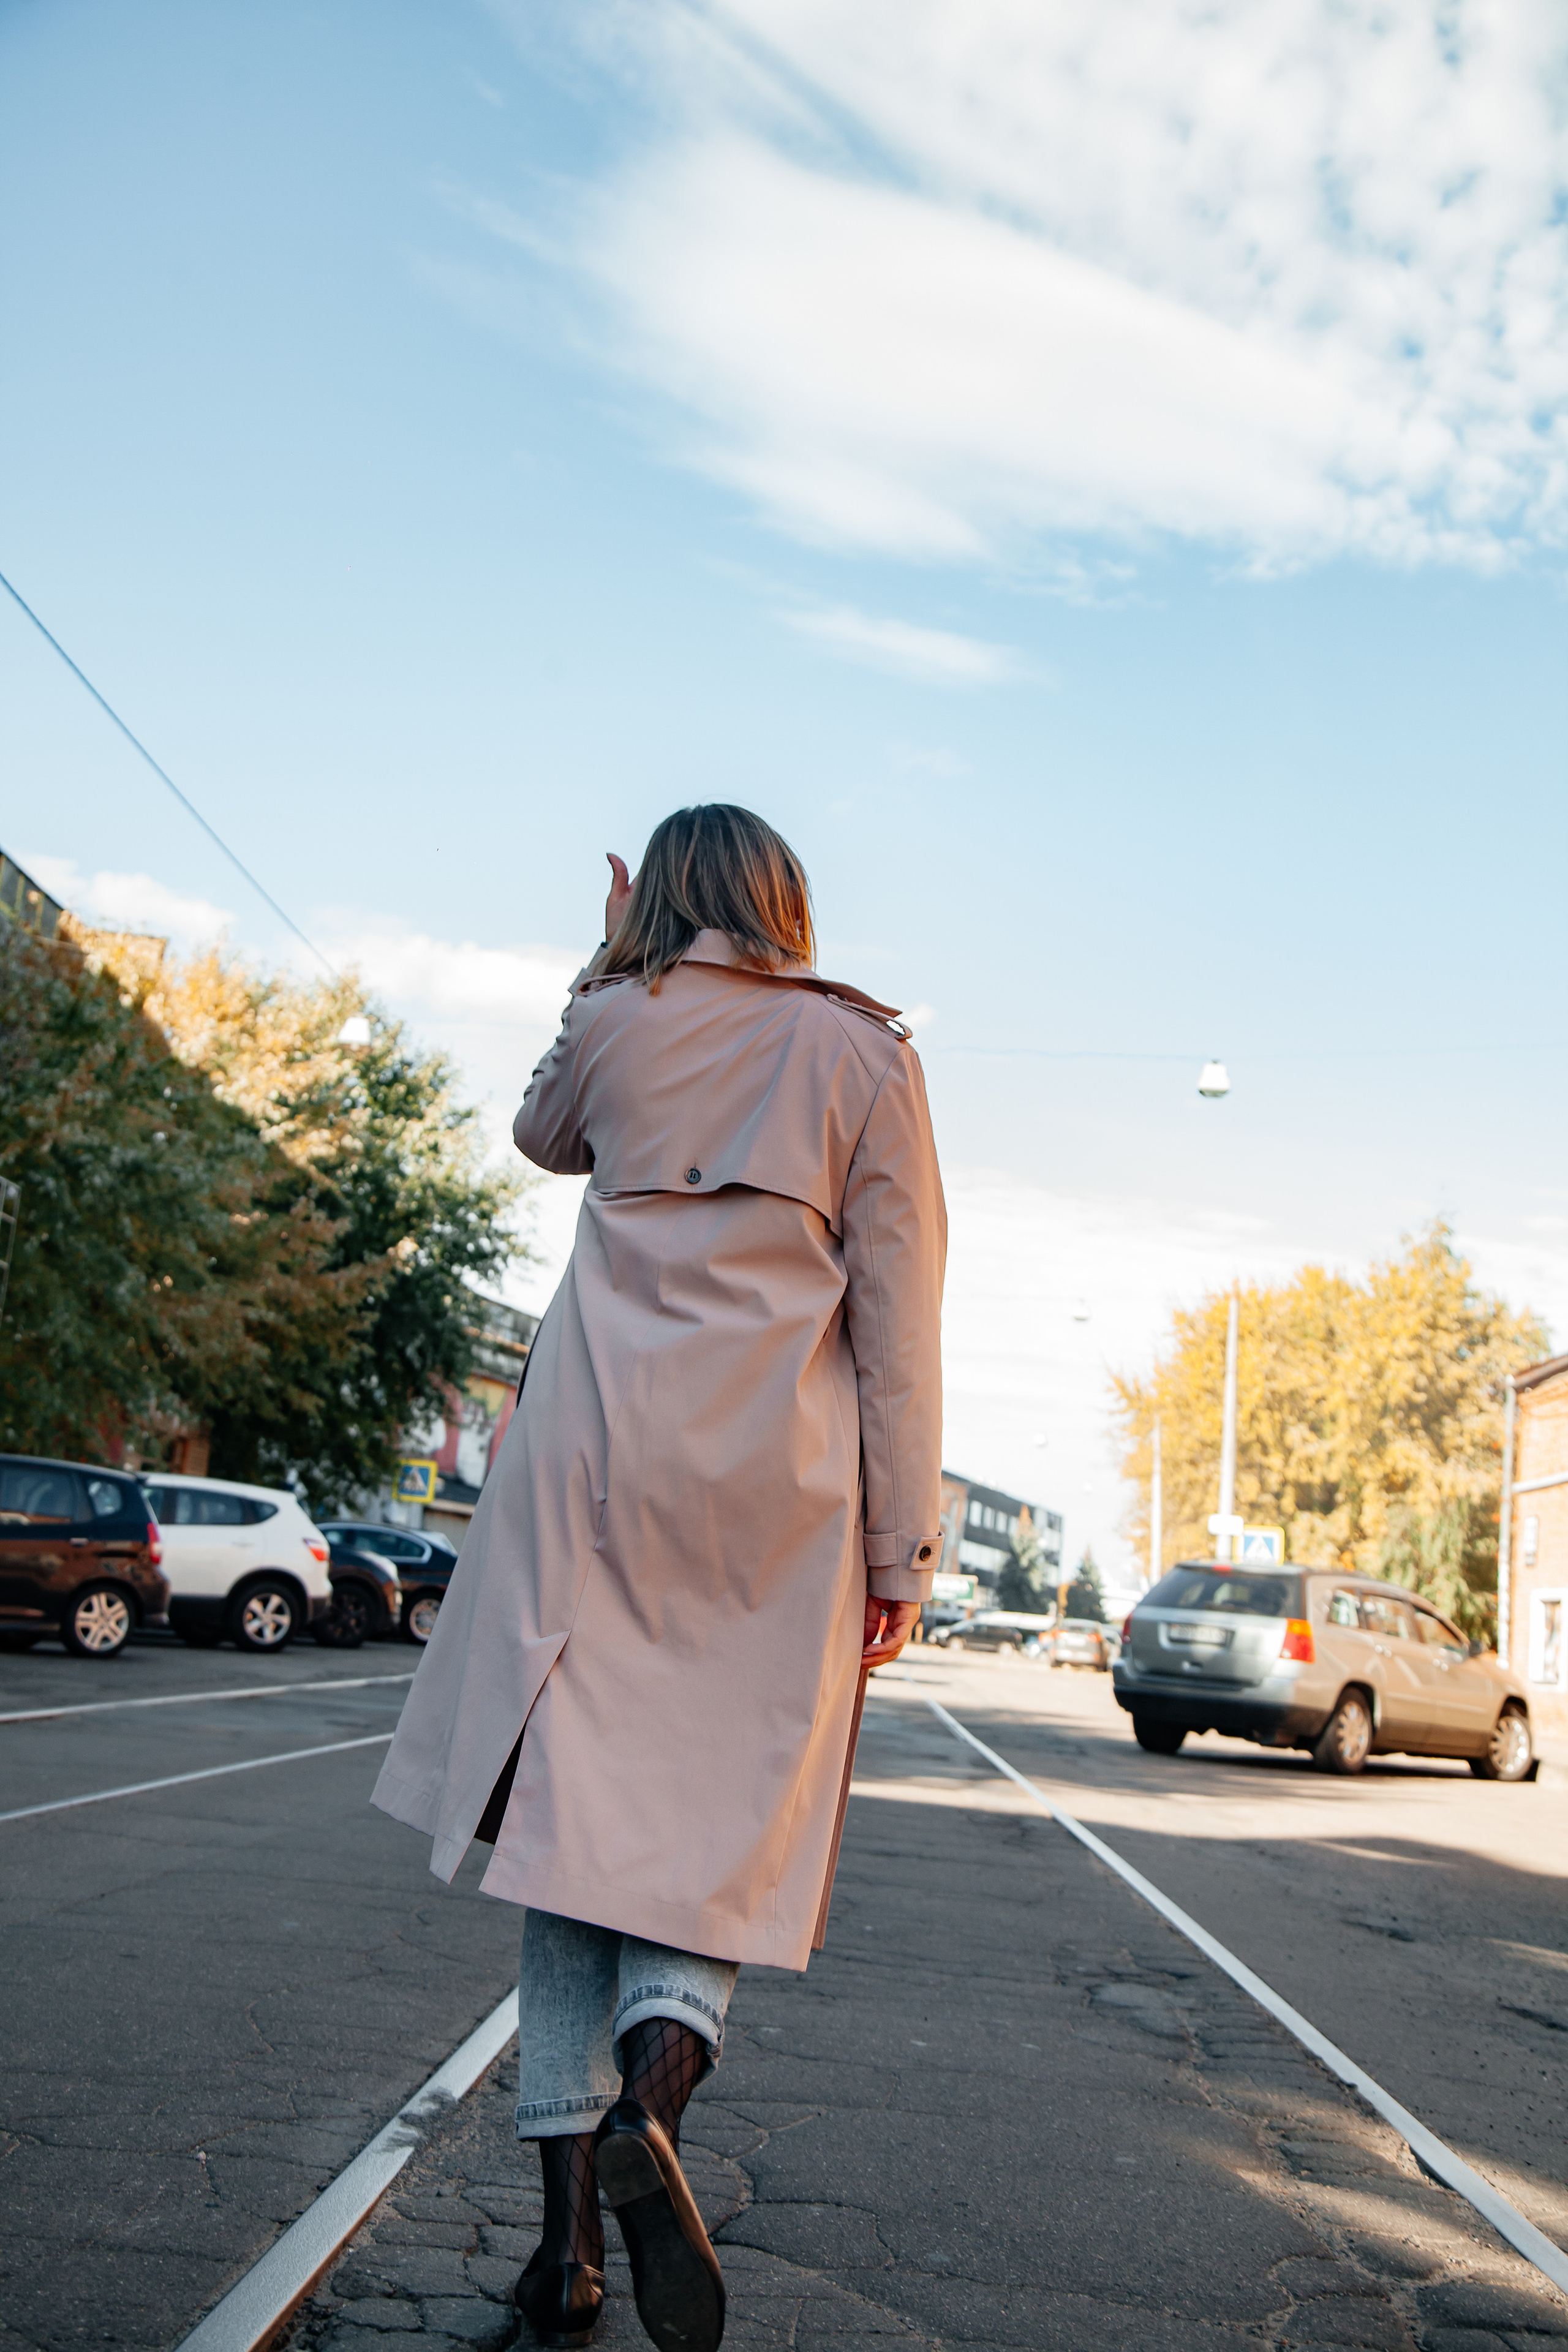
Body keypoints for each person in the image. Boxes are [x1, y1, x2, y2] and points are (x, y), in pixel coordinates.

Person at [372, 804, 946, 2351]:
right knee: (711, 1836)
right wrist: (898, 1549)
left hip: (591, 1474)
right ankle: (655, 2101)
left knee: (561, 1841)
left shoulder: (616, 1027)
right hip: (772, 1500)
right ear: (785, 901)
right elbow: (897, 1329)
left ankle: (562, 2252)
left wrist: (608, 961)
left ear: (660, 902)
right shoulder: (865, 1059)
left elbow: (541, 1134)